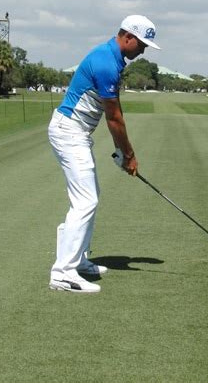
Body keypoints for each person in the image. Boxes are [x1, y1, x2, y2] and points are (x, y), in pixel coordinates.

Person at [48, 15, 161, 293]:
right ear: (127, 37)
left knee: (88, 198)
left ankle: (78, 260)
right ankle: (63, 272)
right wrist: (129, 155)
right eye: (142, 44)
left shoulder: (112, 58)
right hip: (69, 132)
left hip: (76, 133)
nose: (143, 50)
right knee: (85, 202)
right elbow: (114, 118)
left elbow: (115, 113)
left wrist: (121, 151)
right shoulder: (106, 62)